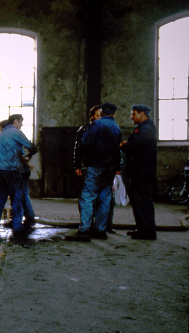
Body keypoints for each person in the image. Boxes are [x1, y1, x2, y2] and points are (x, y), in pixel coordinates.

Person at [66, 102, 121, 241]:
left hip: (96, 166)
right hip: (110, 169)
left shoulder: (96, 125)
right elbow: (117, 150)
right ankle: (101, 230)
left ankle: (84, 230)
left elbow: (84, 143)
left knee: (87, 197)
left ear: (102, 113)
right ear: (114, 113)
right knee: (105, 198)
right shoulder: (116, 127)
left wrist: (82, 160)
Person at [0, 114, 38, 238]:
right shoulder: (16, 132)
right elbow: (32, 147)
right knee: (17, 200)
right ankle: (17, 227)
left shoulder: (1, 134)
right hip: (12, 172)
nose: (21, 125)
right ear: (16, 121)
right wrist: (30, 154)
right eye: (21, 122)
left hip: (0, 171)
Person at [120, 104, 158, 240]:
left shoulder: (146, 129)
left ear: (142, 114)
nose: (131, 117)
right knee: (138, 200)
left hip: (143, 171)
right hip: (139, 171)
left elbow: (134, 146)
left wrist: (125, 145)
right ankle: (141, 228)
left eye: (134, 114)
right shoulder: (143, 128)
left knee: (143, 200)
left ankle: (148, 231)